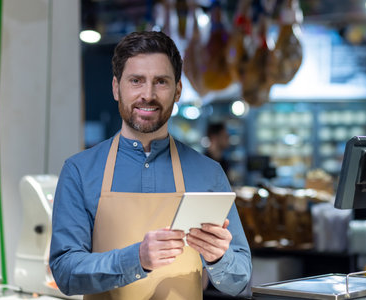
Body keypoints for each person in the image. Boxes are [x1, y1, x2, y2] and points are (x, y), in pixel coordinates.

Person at [49, 31, 252, 300]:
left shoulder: (209, 174)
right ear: (115, 88)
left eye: (161, 82)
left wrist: (219, 259)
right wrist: (137, 259)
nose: (148, 94)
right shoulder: (79, 171)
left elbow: (241, 281)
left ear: (177, 90)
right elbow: (65, 273)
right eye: (136, 81)